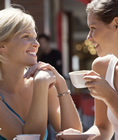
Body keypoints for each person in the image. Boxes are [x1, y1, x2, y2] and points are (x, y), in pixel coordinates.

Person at [56, 0, 118, 140]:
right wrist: (83, 138)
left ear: (116, 25)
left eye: (93, 28)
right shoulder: (101, 67)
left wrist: (111, 97)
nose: (88, 37)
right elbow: (103, 128)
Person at [0, 5, 82, 140]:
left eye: (35, 37)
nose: (36, 44)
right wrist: (41, 84)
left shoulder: (42, 85)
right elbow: (30, 138)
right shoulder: (40, 84)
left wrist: (61, 83)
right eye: (26, 36)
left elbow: (73, 133)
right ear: (2, 46)